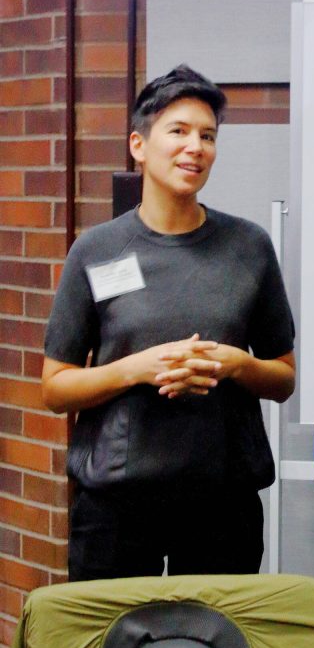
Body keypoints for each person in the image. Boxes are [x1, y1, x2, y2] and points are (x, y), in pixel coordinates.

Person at [42, 65, 295, 581]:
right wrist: (138, 368)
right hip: (115, 503)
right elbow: (55, 387)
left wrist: (234, 364)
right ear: (138, 144)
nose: (195, 147)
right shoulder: (96, 250)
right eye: (178, 131)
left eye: (207, 136)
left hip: (223, 500)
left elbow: (285, 378)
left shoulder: (249, 247)